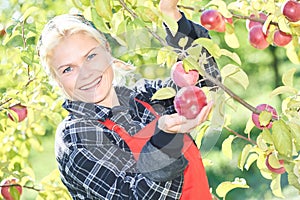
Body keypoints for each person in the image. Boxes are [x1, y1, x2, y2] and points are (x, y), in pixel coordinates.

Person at [37, 0, 220, 199]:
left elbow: (203, 79)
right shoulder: (75, 137)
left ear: (107, 50)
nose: (86, 74)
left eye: (90, 57)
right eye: (68, 69)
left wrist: (170, 13)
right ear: (56, 80)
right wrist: (166, 140)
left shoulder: (143, 99)